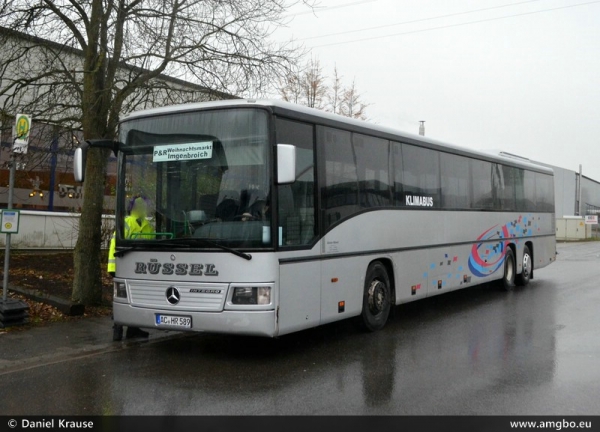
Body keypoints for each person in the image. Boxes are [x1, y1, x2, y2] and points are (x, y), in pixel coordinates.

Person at [108, 194, 154, 340]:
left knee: (136, 298)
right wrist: (113, 268)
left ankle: (133, 329)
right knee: (122, 298)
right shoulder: (126, 223)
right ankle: (118, 329)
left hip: (141, 269)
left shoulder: (148, 227)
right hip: (125, 267)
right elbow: (115, 245)